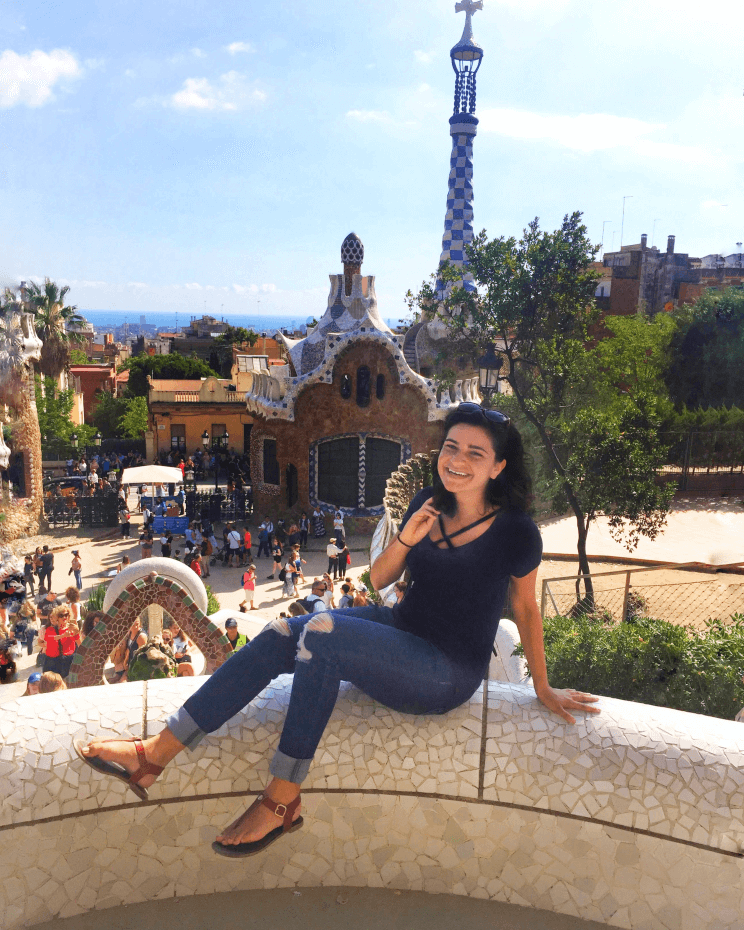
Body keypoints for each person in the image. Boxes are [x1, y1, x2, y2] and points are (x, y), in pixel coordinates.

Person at [75, 402, 599, 859]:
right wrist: (408, 538)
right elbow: (379, 579)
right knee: (284, 632)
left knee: (321, 634)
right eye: (451, 447)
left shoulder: (515, 530)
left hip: (446, 671)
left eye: (475, 454)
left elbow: (527, 610)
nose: (457, 462)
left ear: (499, 466)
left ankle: (281, 799)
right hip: (400, 627)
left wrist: (542, 685)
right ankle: (155, 754)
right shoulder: (425, 504)